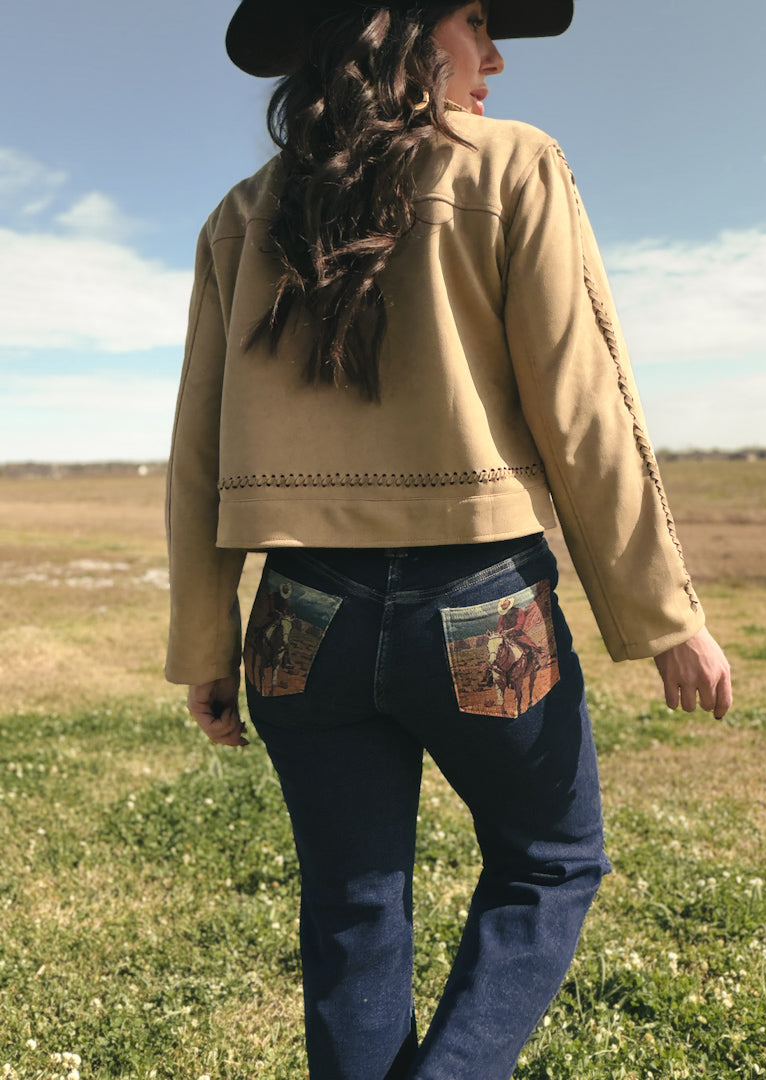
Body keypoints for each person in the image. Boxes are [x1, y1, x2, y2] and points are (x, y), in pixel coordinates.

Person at [166, 0, 732, 1076]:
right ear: (408, 32)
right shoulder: (514, 165)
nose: (498, 57)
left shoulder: (241, 214)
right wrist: (666, 618)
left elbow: (197, 450)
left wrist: (205, 642)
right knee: (551, 862)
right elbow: (586, 408)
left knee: (351, 905)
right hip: (482, 604)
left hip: (298, 621)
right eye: (479, 21)